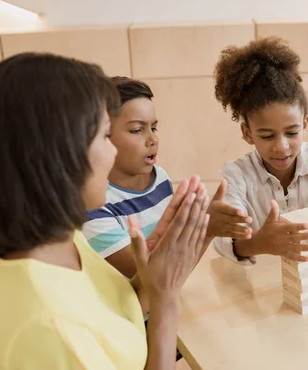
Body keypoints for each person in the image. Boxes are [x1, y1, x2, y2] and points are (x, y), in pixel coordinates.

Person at [0, 52, 210, 369]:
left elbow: (113, 310)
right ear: (56, 155)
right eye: (106, 135)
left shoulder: (55, 239)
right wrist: (167, 301)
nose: (112, 152)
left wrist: (153, 278)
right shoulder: (49, 330)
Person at [82, 76, 252, 278]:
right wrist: (205, 231)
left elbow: (173, 257)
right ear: (100, 136)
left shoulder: (159, 177)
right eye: (137, 130)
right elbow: (151, 278)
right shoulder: (95, 206)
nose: (153, 139)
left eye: (153, 127)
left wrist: (199, 223)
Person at [211, 36, 308, 265]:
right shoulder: (236, 175)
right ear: (248, 133)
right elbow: (222, 239)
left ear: (305, 125)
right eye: (267, 135)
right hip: (260, 283)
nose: (281, 146)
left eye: (292, 132)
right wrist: (261, 242)